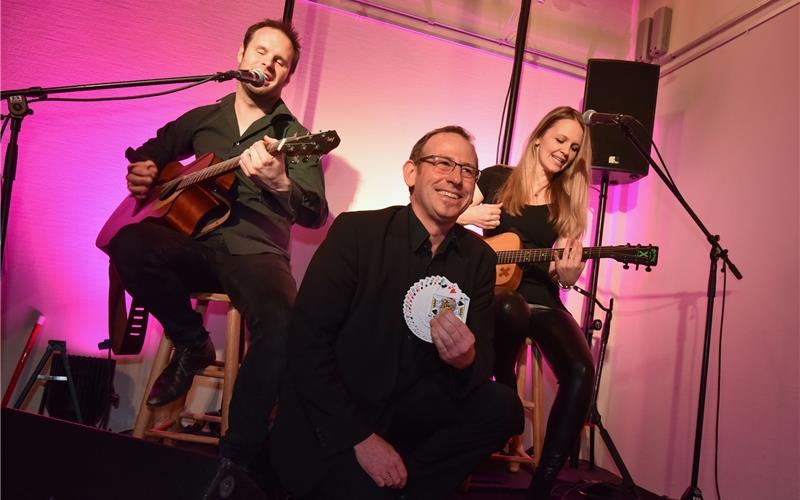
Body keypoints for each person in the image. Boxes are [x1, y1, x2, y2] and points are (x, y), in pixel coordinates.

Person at [105, 19, 328, 477]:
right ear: (241, 56)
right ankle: (193, 343)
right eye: (261, 51)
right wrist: (145, 171)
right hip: (192, 242)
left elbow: (315, 212)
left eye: (280, 60)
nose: (268, 61)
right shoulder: (206, 116)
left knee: (284, 320)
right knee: (129, 243)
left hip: (256, 251)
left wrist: (280, 181)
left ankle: (236, 456)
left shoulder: (296, 134)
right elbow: (153, 150)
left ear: (287, 76)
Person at [269, 126, 523, 499]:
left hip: (413, 415)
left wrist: (466, 357)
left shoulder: (478, 258)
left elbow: (483, 359)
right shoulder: (357, 233)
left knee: (503, 407)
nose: (456, 178)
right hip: (344, 411)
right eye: (442, 163)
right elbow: (306, 345)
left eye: (468, 170)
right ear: (411, 173)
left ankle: (409, 484)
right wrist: (361, 439)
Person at [457, 106, 595, 499]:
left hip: (542, 299)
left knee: (582, 369)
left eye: (574, 147)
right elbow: (443, 212)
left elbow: (558, 269)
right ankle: (503, 385)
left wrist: (566, 276)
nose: (566, 151)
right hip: (494, 294)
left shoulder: (566, 202)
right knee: (507, 307)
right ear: (538, 137)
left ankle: (542, 486)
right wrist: (470, 213)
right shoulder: (498, 178)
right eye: (560, 140)